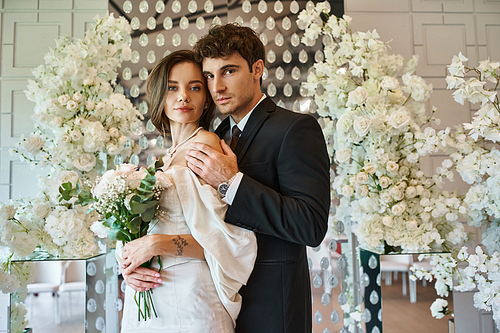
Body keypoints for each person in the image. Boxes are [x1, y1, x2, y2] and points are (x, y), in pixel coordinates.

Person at [185, 24, 331, 333]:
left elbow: (311, 225)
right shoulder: (215, 136)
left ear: (257, 69)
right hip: (217, 305)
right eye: (210, 76)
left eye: (228, 71)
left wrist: (231, 182)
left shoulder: (295, 129)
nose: (217, 88)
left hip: (272, 307)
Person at [117, 50, 257, 333]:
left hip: (191, 297)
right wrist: (130, 264)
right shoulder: (166, 157)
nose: (184, 96)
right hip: (152, 295)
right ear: (159, 95)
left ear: (206, 98)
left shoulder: (204, 145)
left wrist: (158, 245)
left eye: (194, 87)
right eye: (172, 88)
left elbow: (223, 240)